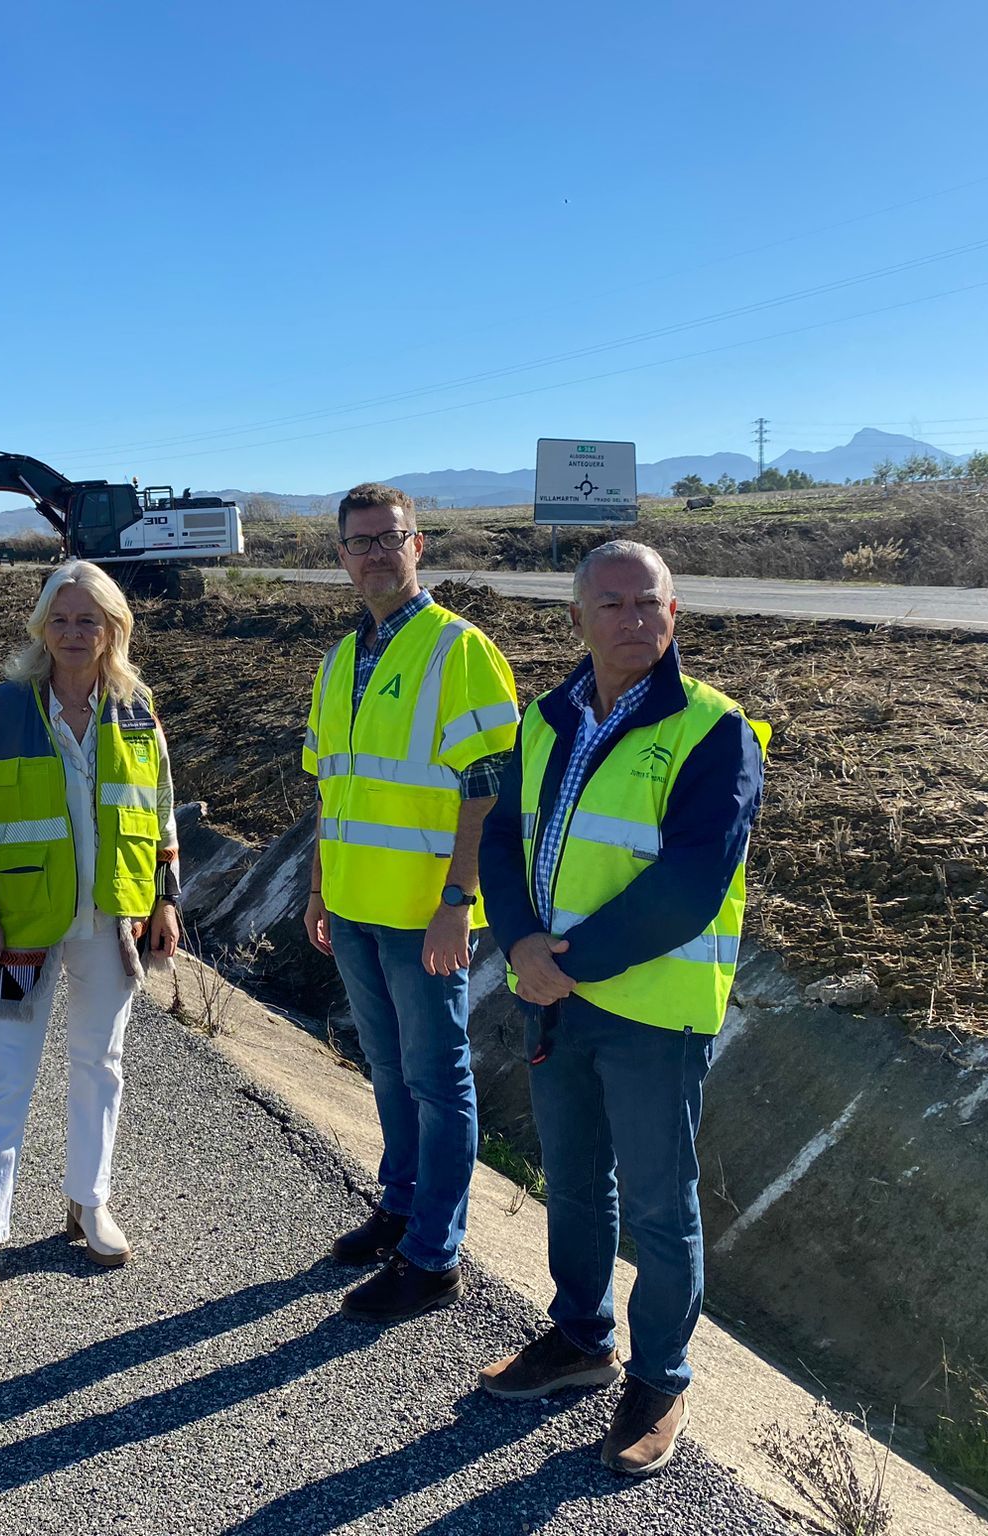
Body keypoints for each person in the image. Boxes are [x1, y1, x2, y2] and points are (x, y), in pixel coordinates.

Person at [476, 540, 766, 1478]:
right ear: (577, 619)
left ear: (674, 614)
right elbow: (503, 839)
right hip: (556, 998)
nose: (634, 619)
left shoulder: (715, 730)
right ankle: (580, 1338)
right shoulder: (546, 718)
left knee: (657, 1204)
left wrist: (565, 965)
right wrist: (519, 940)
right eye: (612, 604)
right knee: (573, 1179)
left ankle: (660, 1378)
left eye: (651, 604)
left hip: (651, 1010)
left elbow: (690, 884)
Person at [301, 482, 520, 1323]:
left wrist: (458, 899)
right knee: (388, 1068)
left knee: (437, 1078)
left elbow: (489, 785)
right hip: (355, 905)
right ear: (342, 557)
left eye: (390, 538)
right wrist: (319, 887)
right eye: (360, 542)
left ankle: (434, 1256)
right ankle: (399, 1206)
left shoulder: (458, 649)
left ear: (417, 545)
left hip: (426, 911)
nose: (376, 555)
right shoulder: (338, 660)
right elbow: (331, 787)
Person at [0, 560, 182, 1319]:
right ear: (41, 627)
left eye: (90, 620)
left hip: (112, 920)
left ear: (114, 629)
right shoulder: (0, 710)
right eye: (62, 618)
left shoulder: (138, 710)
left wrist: (166, 899)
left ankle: (89, 1201)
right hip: (19, 925)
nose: (75, 632)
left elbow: (160, 807)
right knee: (3, 1077)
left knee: (100, 1067)